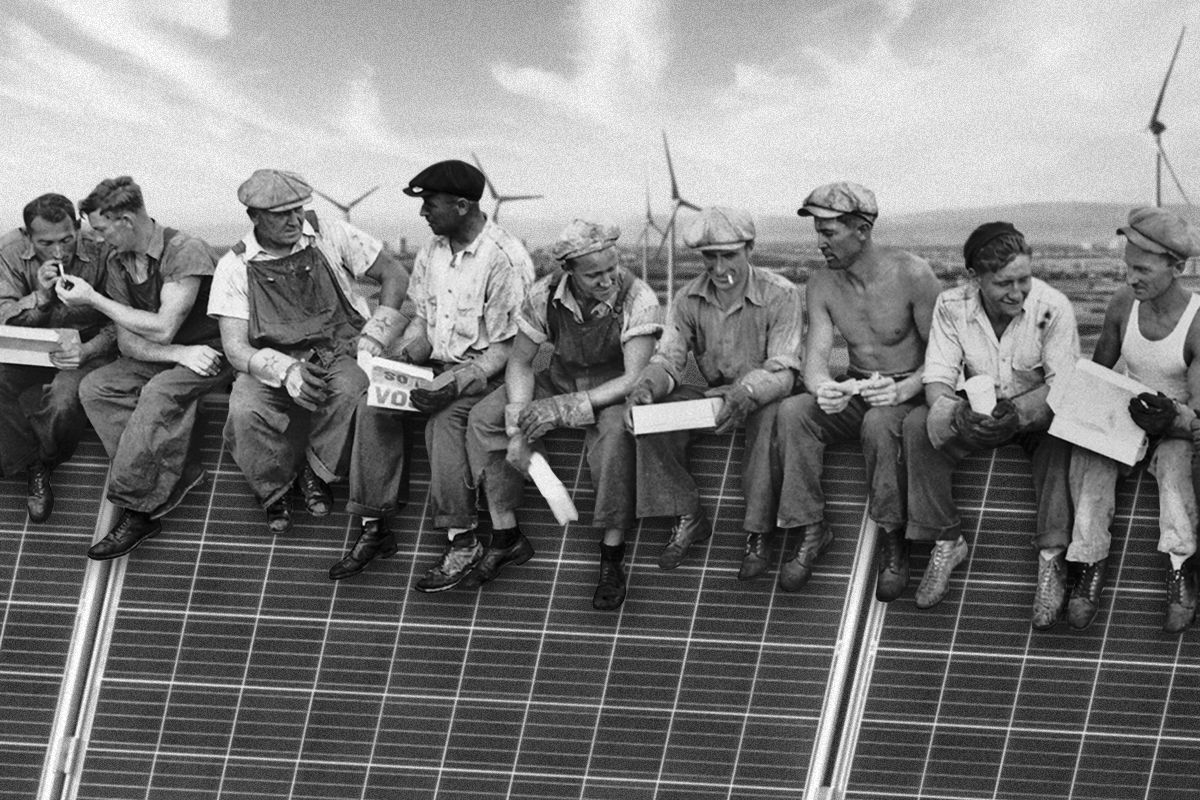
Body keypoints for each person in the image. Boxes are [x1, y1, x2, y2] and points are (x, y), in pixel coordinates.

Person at [210, 169, 409, 566]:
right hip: (271, 359)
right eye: (281, 214)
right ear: (254, 216)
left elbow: (394, 275)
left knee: (352, 392)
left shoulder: (331, 235)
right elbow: (234, 347)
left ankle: (317, 472)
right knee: (245, 409)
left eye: (298, 210)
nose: (294, 220)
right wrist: (285, 372)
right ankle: (276, 489)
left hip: (337, 349)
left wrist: (375, 333)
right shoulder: (234, 266)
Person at [465, 219, 662, 609]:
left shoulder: (640, 298)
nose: (607, 281)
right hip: (560, 378)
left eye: (612, 270)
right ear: (568, 272)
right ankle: (506, 535)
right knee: (484, 418)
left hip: (613, 389)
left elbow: (633, 376)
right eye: (594, 276)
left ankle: (611, 555)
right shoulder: (543, 295)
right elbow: (521, 363)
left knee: (615, 439)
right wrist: (518, 426)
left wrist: (561, 410)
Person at [363, 159, 533, 592]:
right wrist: (399, 363)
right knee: (373, 407)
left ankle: (462, 540)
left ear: (461, 205)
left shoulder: (505, 259)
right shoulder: (432, 251)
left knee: (445, 422)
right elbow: (421, 320)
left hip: (486, 375)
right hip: (440, 368)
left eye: (430, 205)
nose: (422, 214)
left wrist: (454, 383)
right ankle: (372, 525)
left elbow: (506, 349)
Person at [901, 222, 1079, 628]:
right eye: (1003, 283)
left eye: (1024, 279)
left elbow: (1061, 387)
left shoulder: (1054, 308)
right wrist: (958, 413)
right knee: (916, 425)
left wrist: (1017, 415)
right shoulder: (951, 306)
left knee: (1059, 440)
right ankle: (947, 540)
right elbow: (938, 378)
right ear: (974, 278)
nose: (1017, 292)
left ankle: (1052, 560)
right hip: (977, 411)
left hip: (1035, 414)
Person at [773, 183, 940, 597]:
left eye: (829, 233)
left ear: (862, 229)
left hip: (909, 391)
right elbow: (815, 360)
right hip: (859, 387)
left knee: (880, 424)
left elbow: (943, 357)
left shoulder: (914, 275)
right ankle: (810, 527)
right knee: (794, 412)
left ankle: (892, 536)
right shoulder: (821, 284)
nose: (819, 243)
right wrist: (825, 388)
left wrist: (904, 391)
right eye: (817, 232)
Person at [56, 176, 234, 559]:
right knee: (96, 387)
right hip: (174, 355)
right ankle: (180, 472)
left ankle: (137, 510)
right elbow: (127, 340)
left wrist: (95, 300)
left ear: (127, 221)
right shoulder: (119, 260)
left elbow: (163, 325)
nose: (100, 239)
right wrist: (175, 355)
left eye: (102, 230)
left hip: (213, 351)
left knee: (158, 393)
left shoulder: (184, 251)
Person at [625, 206, 803, 575]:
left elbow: (783, 370)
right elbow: (670, 360)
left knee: (769, 420)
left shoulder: (781, 294)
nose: (719, 268)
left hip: (764, 393)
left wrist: (746, 391)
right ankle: (687, 514)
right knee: (652, 418)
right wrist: (645, 388)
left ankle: (758, 531)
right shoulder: (688, 298)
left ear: (749, 249)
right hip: (715, 397)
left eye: (729, 255)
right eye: (710, 257)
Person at [1068, 208, 1200, 634]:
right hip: (1129, 411)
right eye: (1127, 267)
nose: (1131, 278)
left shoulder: (1196, 323)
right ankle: (1089, 562)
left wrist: (1173, 420)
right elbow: (1101, 371)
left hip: (1175, 421)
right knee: (1093, 463)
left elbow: (1198, 417)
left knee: (1177, 468)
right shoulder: (1124, 303)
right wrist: (1085, 416)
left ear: (1177, 267)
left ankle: (1181, 567)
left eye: (1142, 269)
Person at [0, 193, 117, 522]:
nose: (59, 251)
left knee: (64, 401)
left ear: (78, 227)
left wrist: (87, 351)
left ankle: (47, 460)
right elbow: (4, 318)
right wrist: (41, 297)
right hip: (28, 345)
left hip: (87, 346)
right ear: (27, 236)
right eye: (45, 243)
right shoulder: (8, 252)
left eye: (67, 239)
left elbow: (119, 319)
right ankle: (33, 466)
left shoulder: (102, 249)